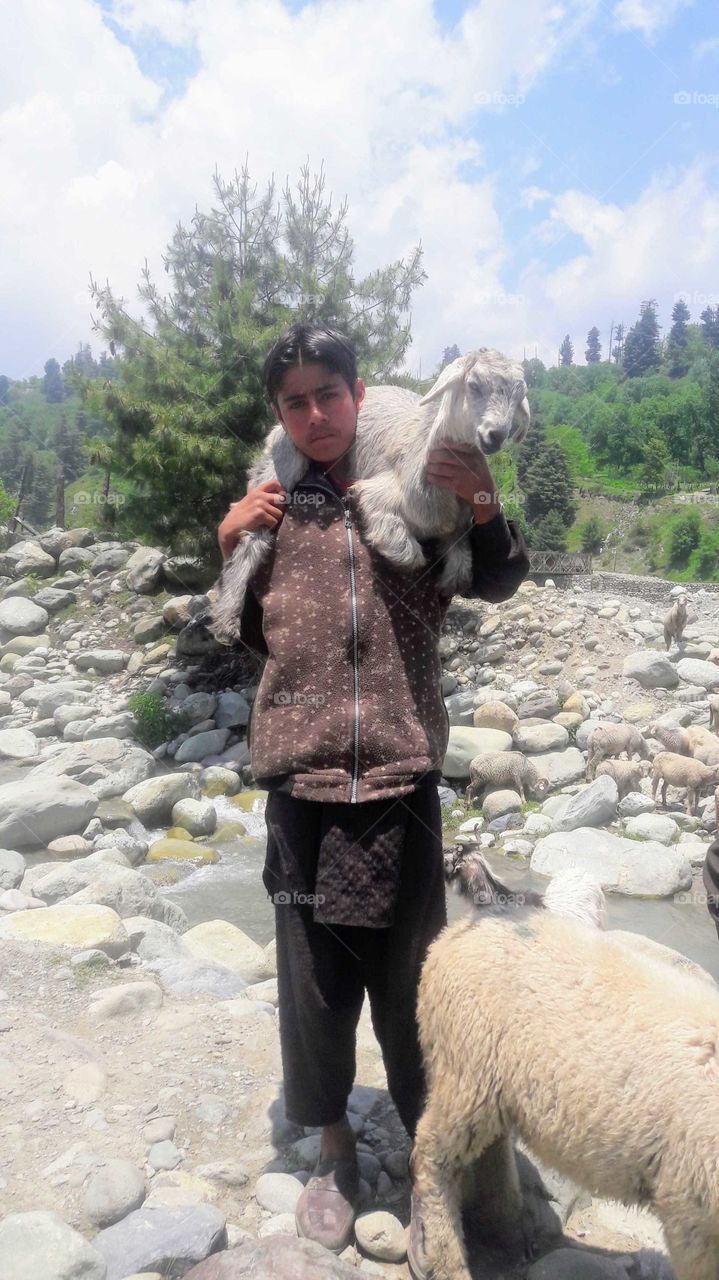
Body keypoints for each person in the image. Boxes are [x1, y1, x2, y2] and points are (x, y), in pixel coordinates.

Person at [216, 323, 530, 1278]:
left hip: (399, 778)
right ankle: (334, 1150)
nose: (314, 414)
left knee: (412, 985)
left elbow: (505, 576)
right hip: (304, 785)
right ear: (280, 414)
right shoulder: (270, 513)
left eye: (330, 394)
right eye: (294, 401)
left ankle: (438, 1153)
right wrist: (226, 543)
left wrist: (482, 501)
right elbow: (235, 631)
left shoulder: (410, 498)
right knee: (313, 987)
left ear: (362, 393)